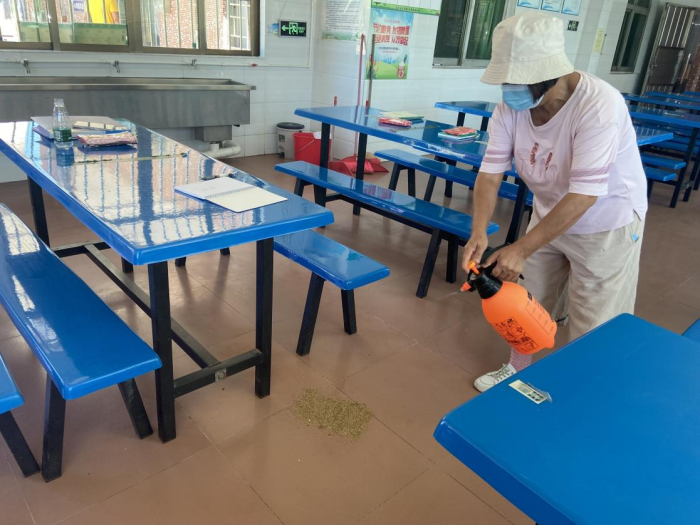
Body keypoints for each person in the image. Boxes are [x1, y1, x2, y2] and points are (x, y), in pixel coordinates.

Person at [463, 13, 647, 392]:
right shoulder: (511, 108)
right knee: (528, 299)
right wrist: (479, 231)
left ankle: (586, 391)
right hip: (548, 215)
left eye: (518, 81)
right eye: (506, 81)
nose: (510, 91)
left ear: (551, 75)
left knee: (595, 318)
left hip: (605, 223)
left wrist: (521, 249)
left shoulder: (599, 106)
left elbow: (584, 194)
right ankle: (517, 368)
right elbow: (490, 173)